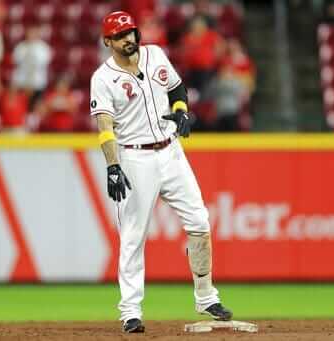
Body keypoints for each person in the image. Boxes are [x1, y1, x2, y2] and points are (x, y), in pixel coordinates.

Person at [90, 11, 232, 333]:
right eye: (120, 35)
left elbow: (177, 90)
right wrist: (113, 166)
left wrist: (181, 113)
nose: (128, 39)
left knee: (199, 220)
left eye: (130, 32)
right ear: (107, 41)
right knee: (133, 235)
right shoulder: (103, 77)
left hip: (170, 151)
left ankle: (206, 296)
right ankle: (130, 311)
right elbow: (105, 126)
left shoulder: (155, 56)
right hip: (135, 157)